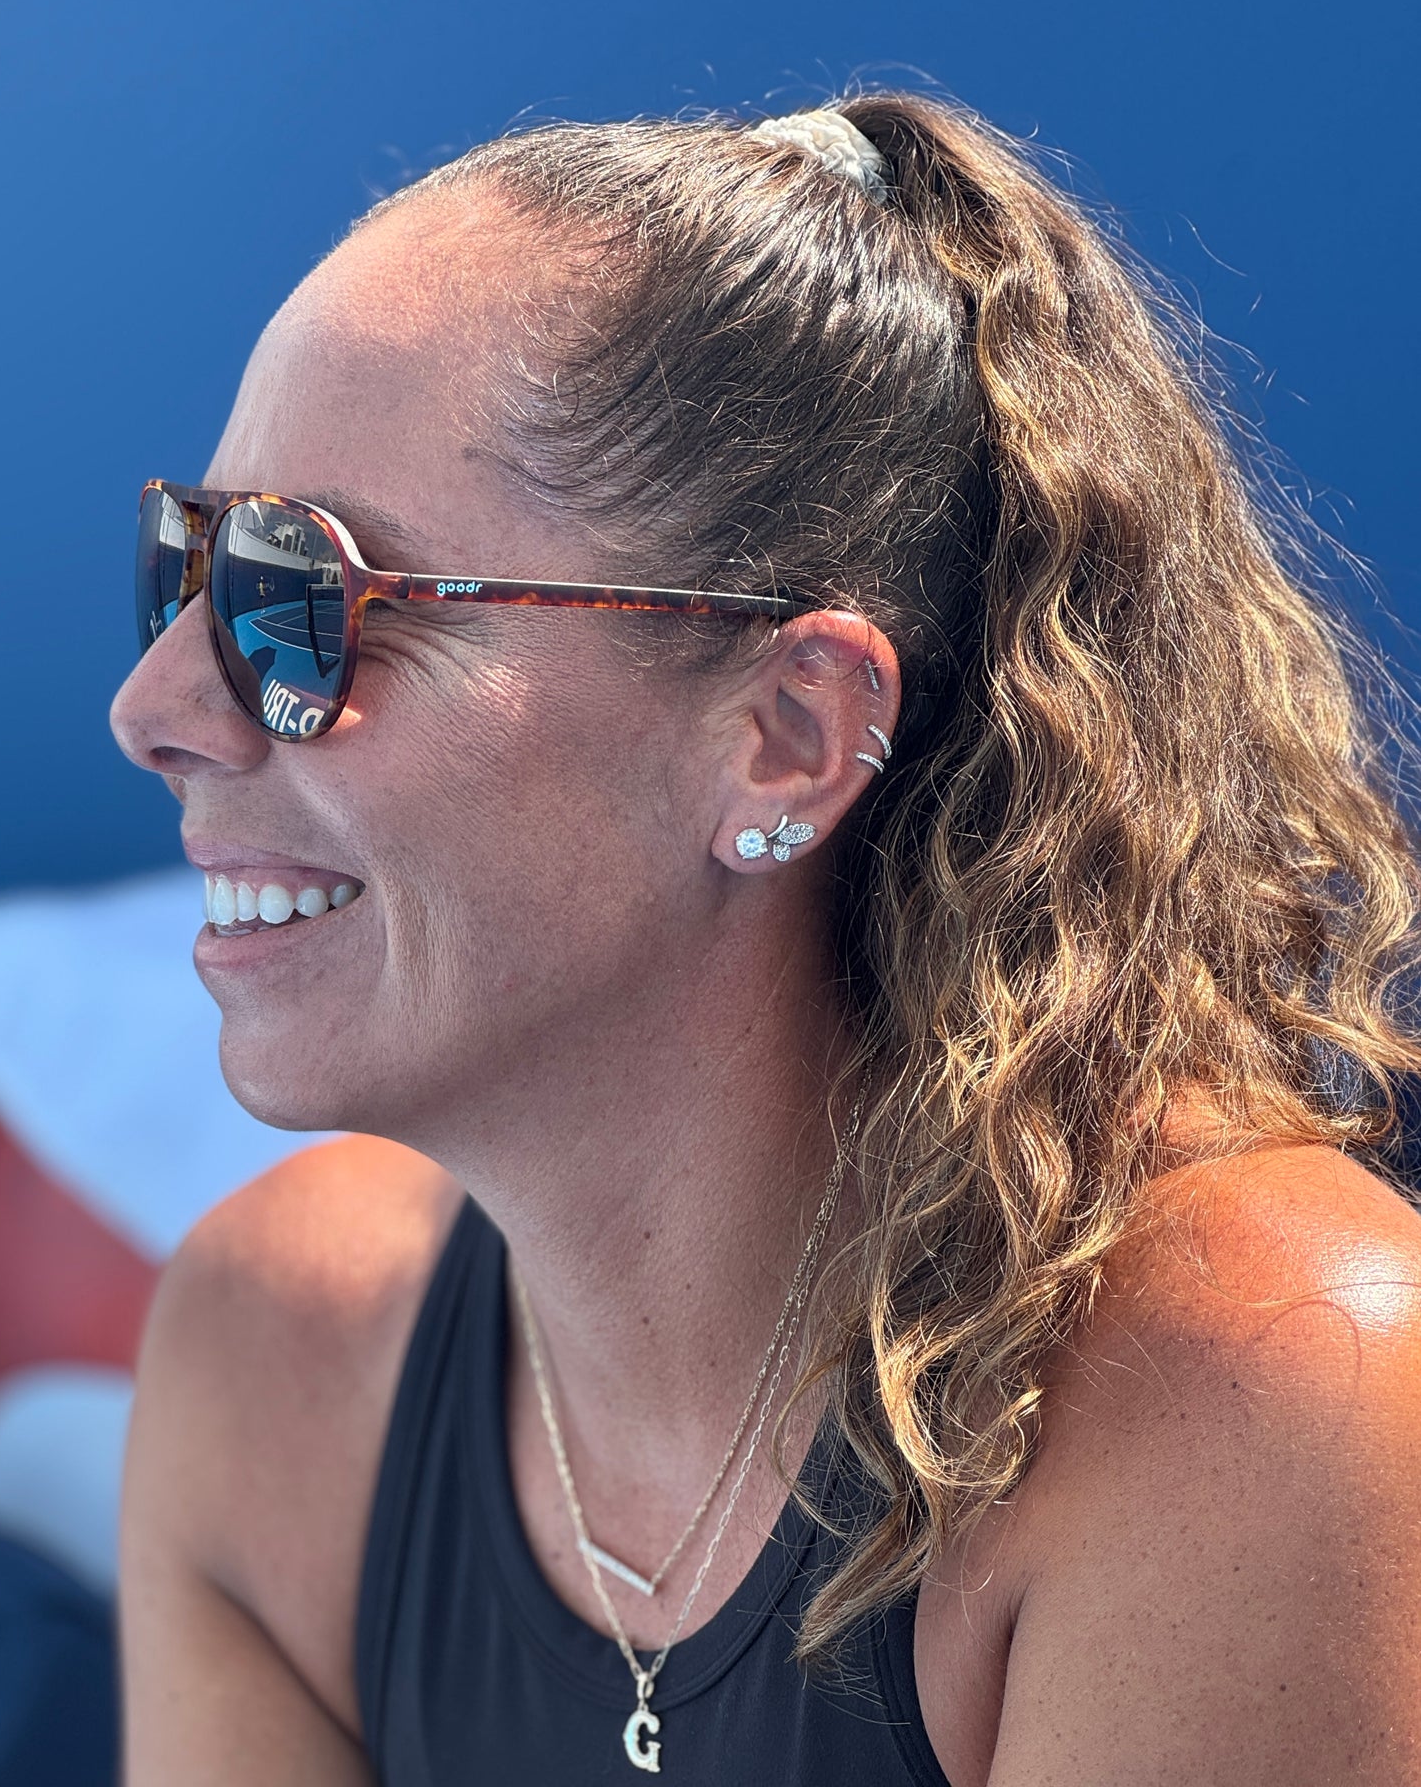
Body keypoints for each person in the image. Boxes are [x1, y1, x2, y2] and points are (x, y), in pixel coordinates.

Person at [109, 93, 1421, 1785]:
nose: (156, 711)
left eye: (304, 602)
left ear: (788, 734)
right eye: (185, 574)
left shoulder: (1266, 1386)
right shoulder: (273, 1357)